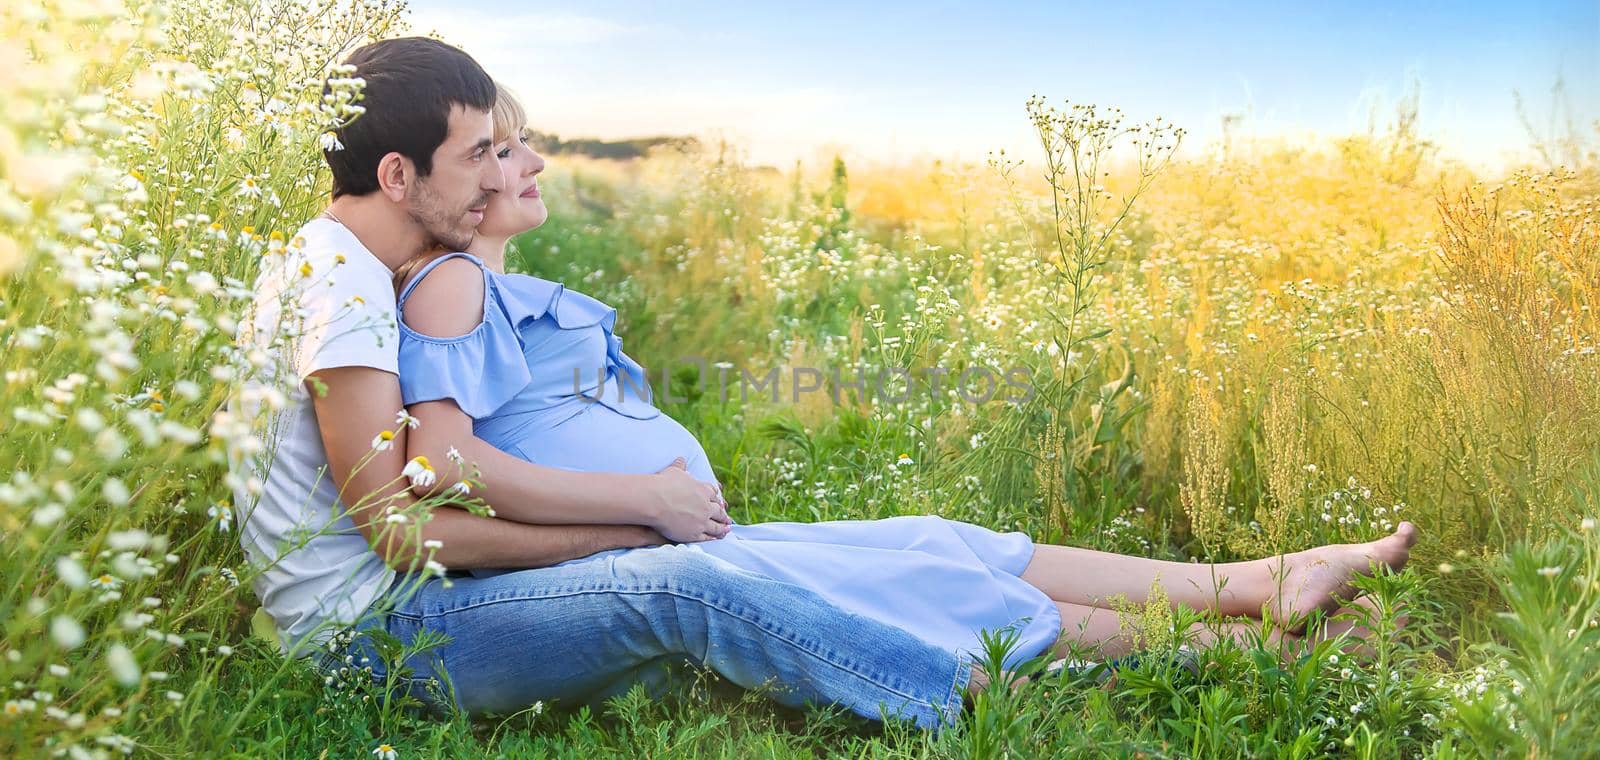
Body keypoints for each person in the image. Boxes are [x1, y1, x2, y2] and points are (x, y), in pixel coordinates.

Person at [235, 36, 1417, 731]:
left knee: (873, 539)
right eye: (474, 157)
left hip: (429, 609)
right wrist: (631, 525)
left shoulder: (348, 269)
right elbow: (401, 524)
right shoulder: (341, 286)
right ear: (397, 172)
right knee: (694, 584)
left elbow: (431, 474)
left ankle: (1242, 599)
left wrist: (626, 520)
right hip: (382, 642)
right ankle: (1010, 689)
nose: (497, 176)